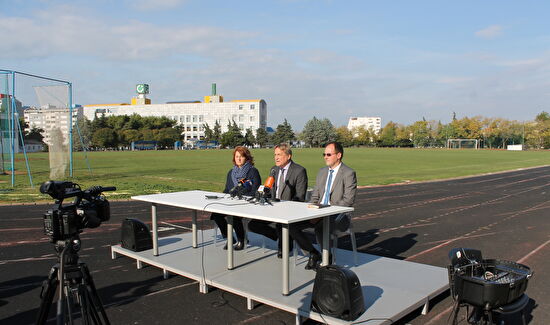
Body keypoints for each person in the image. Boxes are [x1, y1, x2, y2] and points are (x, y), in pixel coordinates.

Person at [289, 142, 357, 270]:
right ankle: (314, 253)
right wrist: (311, 210)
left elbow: (348, 201)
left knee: (320, 227)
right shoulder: (322, 172)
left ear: (339, 155)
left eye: (328, 154)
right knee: (292, 225)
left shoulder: (348, 173)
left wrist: (323, 212)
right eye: (324, 154)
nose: (325, 157)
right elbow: (315, 197)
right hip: (318, 213)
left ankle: (327, 258)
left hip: (339, 216)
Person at [248, 143, 308, 258]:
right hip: (272, 207)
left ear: (288, 156)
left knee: (281, 228)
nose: (276, 157)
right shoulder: (274, 169)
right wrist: (263, 193)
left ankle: (285, 242)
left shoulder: (299, 171)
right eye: (275, 155)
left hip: (289, 210)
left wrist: (286, 207)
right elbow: (270, 190)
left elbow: (300, 196)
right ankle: (281, 236)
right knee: (253, 225)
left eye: (279, 154)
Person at [211, 146, 261, 250]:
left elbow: (255, 190)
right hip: (231, 202)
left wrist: (244, 196)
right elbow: (227, 189)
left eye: (241, 156)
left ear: (247, 158)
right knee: (216, 214)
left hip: (246, 203)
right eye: (237, 156)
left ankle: (241, 240)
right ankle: (230, 237)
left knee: (234, 216)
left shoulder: (253, 171)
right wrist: (221, 197)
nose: (238, 159)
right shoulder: (231, 173)